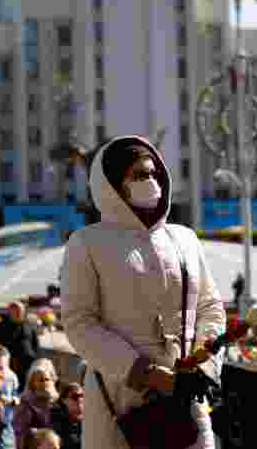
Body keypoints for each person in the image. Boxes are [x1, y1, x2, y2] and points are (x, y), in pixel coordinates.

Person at [61, 136, 226, 449]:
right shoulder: (86, 243)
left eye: (153, 173)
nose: (150, 181)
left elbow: (210, 308)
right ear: (114, 185)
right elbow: (79, 323)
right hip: (120, 400)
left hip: (185, 396)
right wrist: (147, 374)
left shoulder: (185, 239)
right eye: (139, 175)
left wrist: (204, 365)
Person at [0, 304, 38, 392]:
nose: (18, 313)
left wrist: (34, 357)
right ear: (10, 312)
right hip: (9, 365)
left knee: (26, 389)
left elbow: (35, 344)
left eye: (20, 311)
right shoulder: (0, 327)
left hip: (27, 364)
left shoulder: (29, 325)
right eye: (16, 311)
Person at [48, 383, 81, 449]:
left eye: (82, 396)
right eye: (75, 397)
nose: (80, 400)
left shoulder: (87, 417)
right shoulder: (55, 417)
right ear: (64, 400)